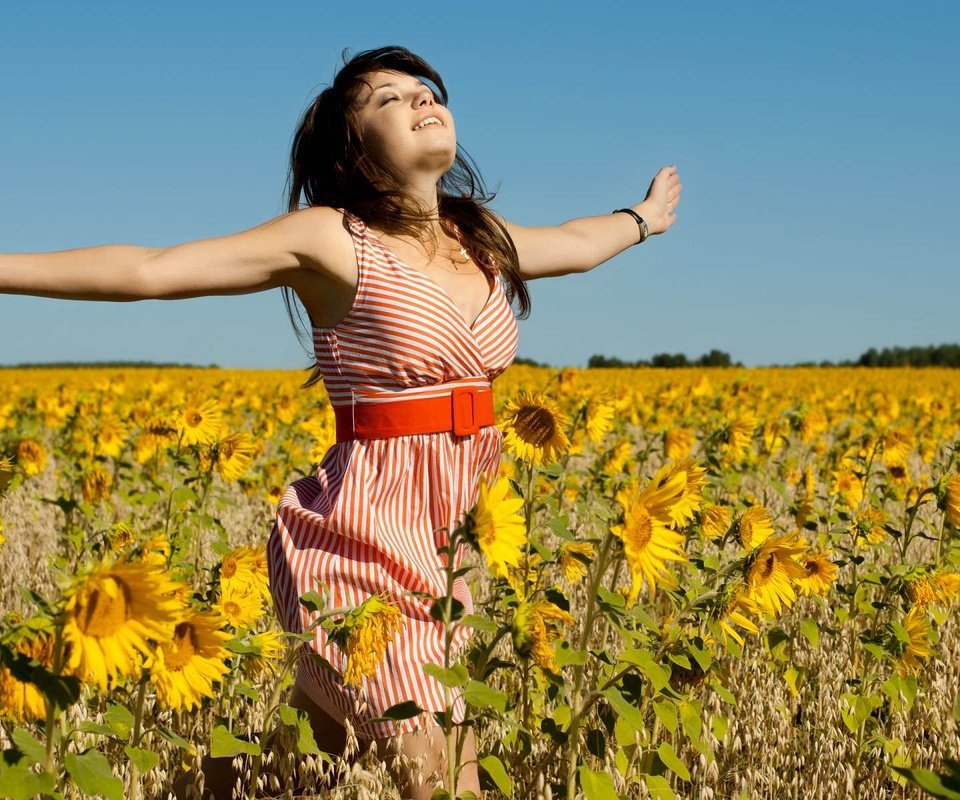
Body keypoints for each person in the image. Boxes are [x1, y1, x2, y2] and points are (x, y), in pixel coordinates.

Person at [0, 45, 681, 799]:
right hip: (354, 543)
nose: (422, 100)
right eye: (389, 99)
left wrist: (639, 219)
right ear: (353, 151)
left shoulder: (478, 238)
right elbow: (151, 269)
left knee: (293, 764)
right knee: (439, 772)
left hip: (446, 548)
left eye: (426, 90)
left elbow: (578, 244)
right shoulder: (333, 240)